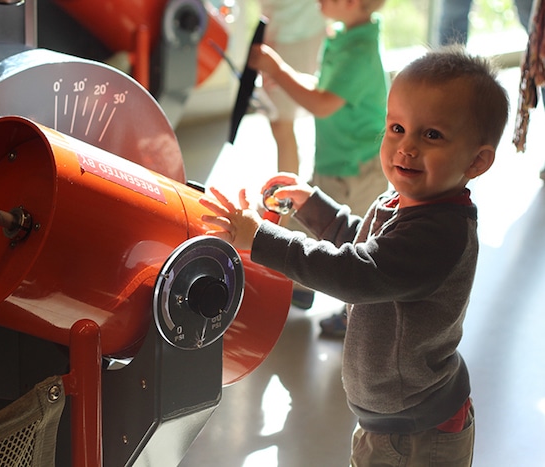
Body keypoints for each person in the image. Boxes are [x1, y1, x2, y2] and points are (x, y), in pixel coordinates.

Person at [199, 46, 509, 465]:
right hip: (390, 419)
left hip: (417, 432)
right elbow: (362, 244)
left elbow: (357, 274)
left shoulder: (440, 233)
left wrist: (263, 240)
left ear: (477, 161)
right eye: (397, 127)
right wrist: (312, 204)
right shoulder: (404, 200)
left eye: (431, 134)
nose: (406, 147)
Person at [249, 0, 389, 333]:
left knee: (359, 243)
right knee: (311, 224)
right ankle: (300, 290)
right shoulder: (342, 35)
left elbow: (322, 104)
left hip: (357, 169)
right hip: (336, 160)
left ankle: (357, 312)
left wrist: (277, 69)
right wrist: (280, 77)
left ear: (353, 3)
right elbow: (321, 86)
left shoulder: (360, 52)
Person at [258, 0, 326, 174]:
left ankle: (290, 194)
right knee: (280, 124)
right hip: (274, 31)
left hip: (306, 31)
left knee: (284, 121)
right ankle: (288, 194)